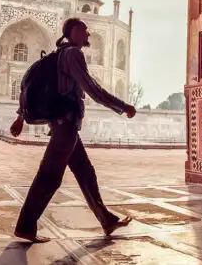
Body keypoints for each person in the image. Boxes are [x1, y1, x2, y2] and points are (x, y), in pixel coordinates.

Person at [11, 17, 137, 243]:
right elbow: (92, 88)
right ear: (75, 31)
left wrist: (20, 117)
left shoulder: (59, 54)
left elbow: (33, 85)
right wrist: (122, 106)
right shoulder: (73, 55)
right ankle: (26, 226)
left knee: (86, 174)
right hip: (65, 125)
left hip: (65, 126)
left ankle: (106, 220)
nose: (89, 35)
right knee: (49, 176)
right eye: (86, 31)